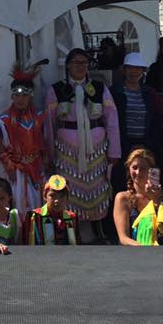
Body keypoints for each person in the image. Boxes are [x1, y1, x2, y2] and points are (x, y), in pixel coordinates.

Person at [44, 48, 120, 242]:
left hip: (95, 150)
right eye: (76, 63)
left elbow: (112, 120)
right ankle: (71, 232)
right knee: (69, 188)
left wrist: (114, 152)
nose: (81, 66)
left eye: (84, 63)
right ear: (68, 65)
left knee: (96, 188)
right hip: (66, 150)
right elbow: (49, 125)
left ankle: (96, 231)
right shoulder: (56, 90)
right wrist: (50, 155)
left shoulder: (100, 88)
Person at [0, 65, 47, 218]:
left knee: (38, 202)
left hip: (36, 167)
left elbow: (45, 141)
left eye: (24, 95)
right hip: (17, 169)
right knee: (19, 204)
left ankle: (37, 236)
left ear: (30, 96)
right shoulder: (4, 119)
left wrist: (45, 161)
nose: (20, 99)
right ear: (11, 97)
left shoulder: (39, 117)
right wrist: (10, 166)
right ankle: (20, 237)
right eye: (16, 95)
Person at [111, 52, 162, 183]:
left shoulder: (150, 93)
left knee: (148, 179)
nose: (133, 72)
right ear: (124, 70)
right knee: (123, 180)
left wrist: (150, 142)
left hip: (147, 143)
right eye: (130, 68)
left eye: (137, 68)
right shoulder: (114, 92)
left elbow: (157, 119)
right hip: (122, 145)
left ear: (143, 71)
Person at [113, 148, 163, 246]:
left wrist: (156, 200)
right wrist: (144, 248)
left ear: (151, 170)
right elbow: (123, 238)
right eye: (134, 167)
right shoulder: (123, 198)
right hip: (134, 252)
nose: (138, 172)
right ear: (128, 169)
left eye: (143, 168)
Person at [22, 174, 80, 245]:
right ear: (45, 196)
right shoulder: (34, 217)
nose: (57, 200)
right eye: (52, 196)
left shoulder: (72, 218)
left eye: (62, 196)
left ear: (67, 198)